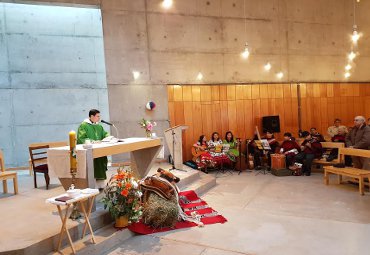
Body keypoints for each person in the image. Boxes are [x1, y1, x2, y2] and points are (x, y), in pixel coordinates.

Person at [77, 109, 109, 188]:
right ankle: (92, 185)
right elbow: (81, 138)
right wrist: (93, 142)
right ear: (91, 116)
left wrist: (109, 137)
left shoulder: (99, 126)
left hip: (98, 151)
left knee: (100, 164)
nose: (99, 118)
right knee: (92, 166)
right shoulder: (83, 125)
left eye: (99, 116)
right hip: (89, 151)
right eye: (97, 116)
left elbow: (105, 134)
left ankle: (100, 184)